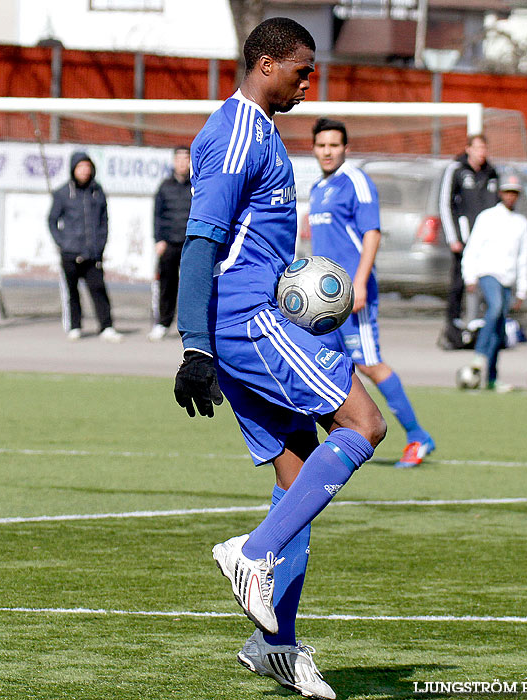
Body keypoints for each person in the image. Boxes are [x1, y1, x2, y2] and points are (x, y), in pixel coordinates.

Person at [172, 18, 386, 700]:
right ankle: (251, 553)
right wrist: (195, 346)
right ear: (266, 64)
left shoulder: (263, 131)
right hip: (243, 323)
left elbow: (247, 241)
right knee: (364, 425)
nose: (308, 79)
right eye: (301, 68)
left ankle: (274, 645)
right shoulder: (234, 132)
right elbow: (200, 244)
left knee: (296, 481)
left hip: (258, 316)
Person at [308, 117, 435, 468]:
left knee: (368, 362)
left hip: (352, 294)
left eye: (334, 145)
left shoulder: (355, 181)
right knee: (330, 364)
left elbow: (372, 234)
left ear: (345, 148)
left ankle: (417, 436)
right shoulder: (320, 188)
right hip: (324, 299)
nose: (328, 151)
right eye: (321, 145)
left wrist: (360, 282)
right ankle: (340, 435)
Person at [461, 174, 527, 392]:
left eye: (514, 193)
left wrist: (522, 289)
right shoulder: (487, 217)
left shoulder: (521, 223)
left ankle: (491, 376)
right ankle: (479, 355)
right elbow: (473, 246)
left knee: (500, 328)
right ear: (501, 193)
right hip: (488, 272)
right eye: (507, 192)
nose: (510, 196)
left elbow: (523, 257)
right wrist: (469, 275)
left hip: (508, 279)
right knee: (495, 308)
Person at [48, 151, 122, 342]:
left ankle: (106, 326)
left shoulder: (97, 191)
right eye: (81, 167)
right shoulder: (63, 193)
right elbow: (52, 221)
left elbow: (104, 221)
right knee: (72, 291)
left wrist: (100, 244)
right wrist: (63, 243)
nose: (84, 171)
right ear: (73, 169)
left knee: (98, 289)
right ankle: (75, 325)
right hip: (70, 252)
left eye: (87, 167)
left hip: (92, 253)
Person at [439, 133, 499, 343]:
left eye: (484, 148)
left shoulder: (491, 173)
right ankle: (454, 325)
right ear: (468, 149)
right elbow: (446, 204)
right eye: (478, 148)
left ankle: (481, 325)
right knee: (459, 283)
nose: (482, 153)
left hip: (487, 241)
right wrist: (453, 237)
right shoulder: (456, 170)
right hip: (464, 240)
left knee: (487, 281)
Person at [148, 146, 192, 341]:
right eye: (179, 159)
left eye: (186, 159)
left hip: (191, 244)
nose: (183, 163)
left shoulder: (197, 185)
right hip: (169, 244)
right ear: (174, 162)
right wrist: (159, 240)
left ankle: (191, 326)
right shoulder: (164, 186)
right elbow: (157, 215)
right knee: (167, 285)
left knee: (192, 285)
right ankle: (163, 323)